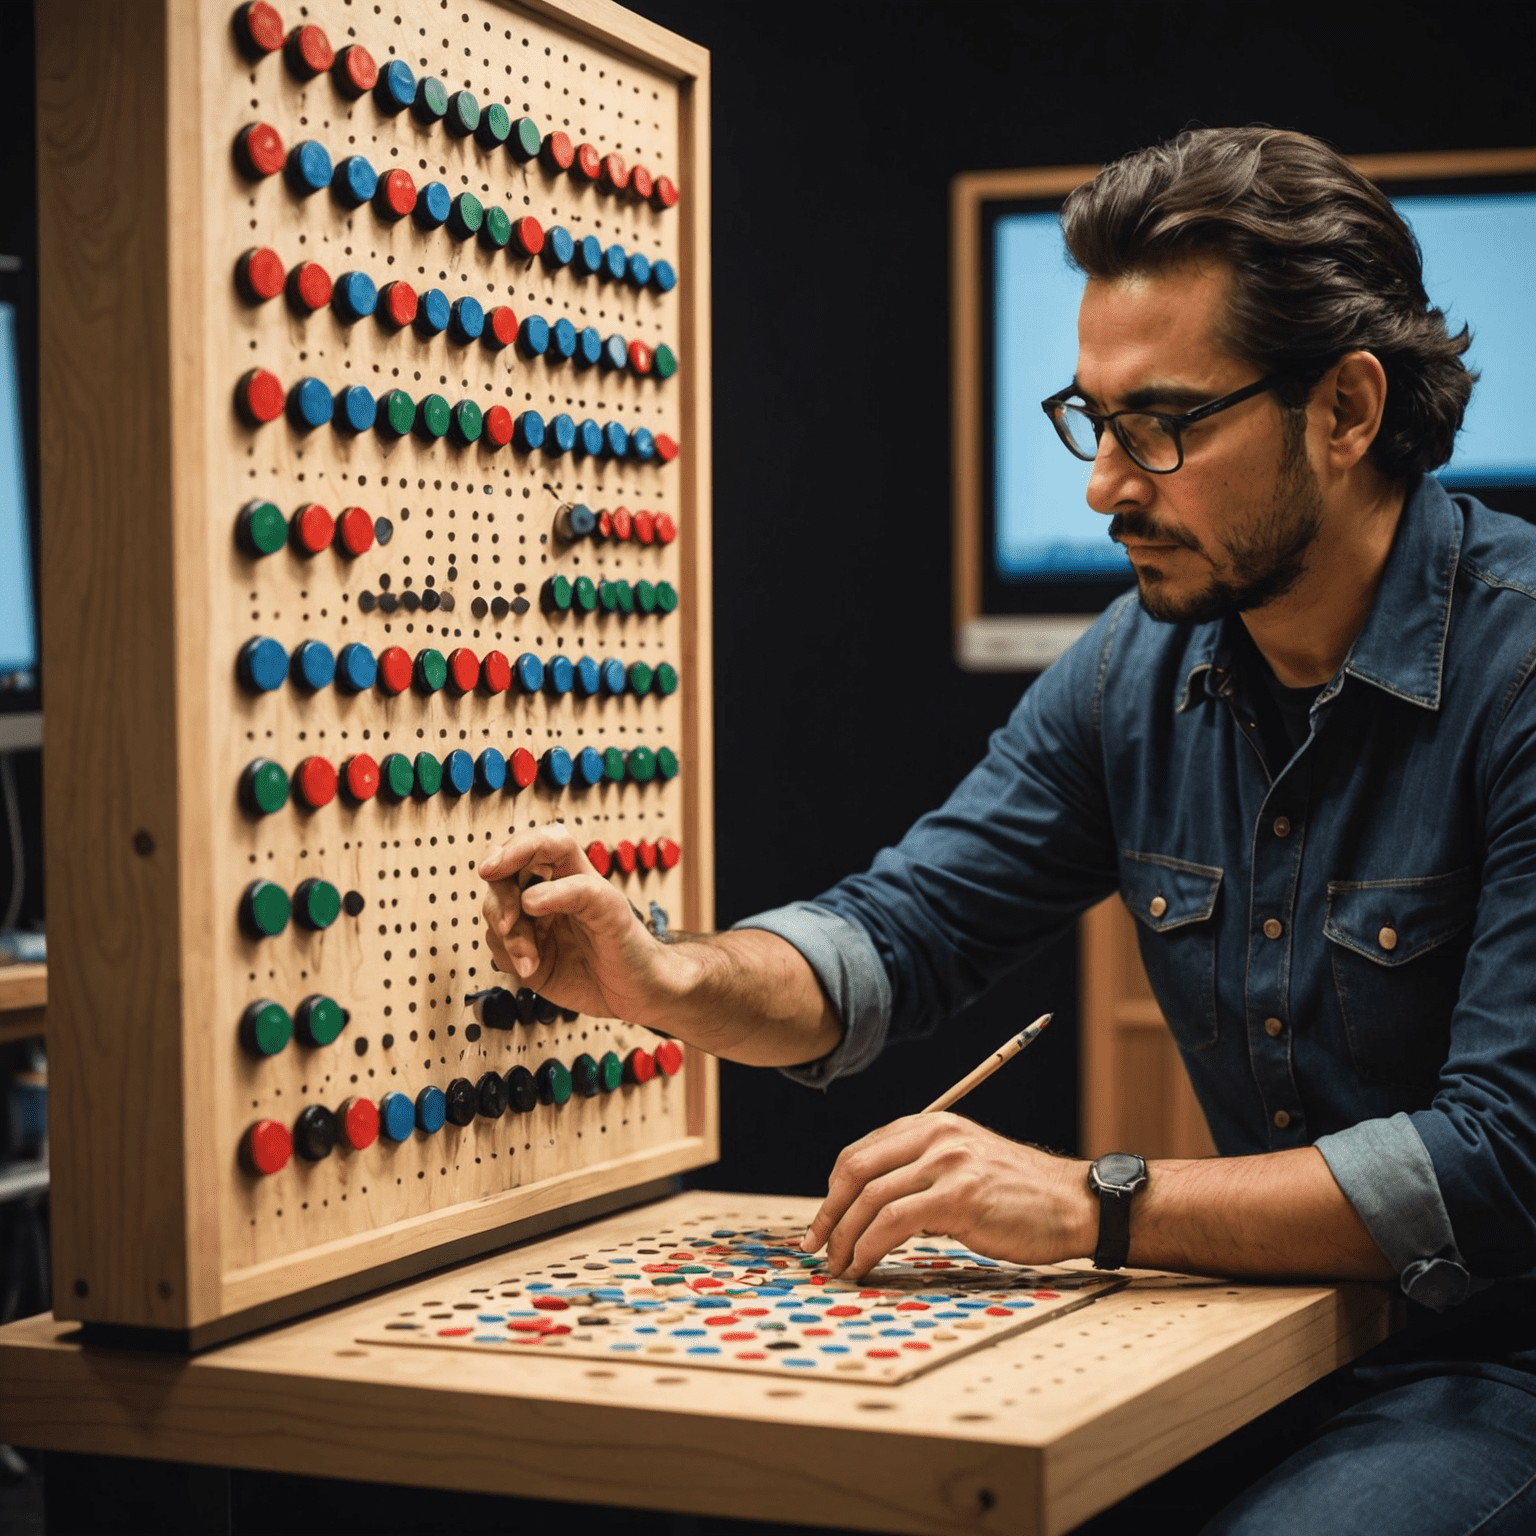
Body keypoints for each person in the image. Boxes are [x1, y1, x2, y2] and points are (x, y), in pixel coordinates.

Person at [480, 127, 1536, 1532]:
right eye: (1091, 421)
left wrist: (1094, 1204)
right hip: (1274, 1338)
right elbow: (900, 933)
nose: (1106, 486)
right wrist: (670, 979)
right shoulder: (1133, 670)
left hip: (1498, 1366)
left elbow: (1502, 1163)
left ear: (1347, 411)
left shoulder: (1519, 669)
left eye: (1162, 424)